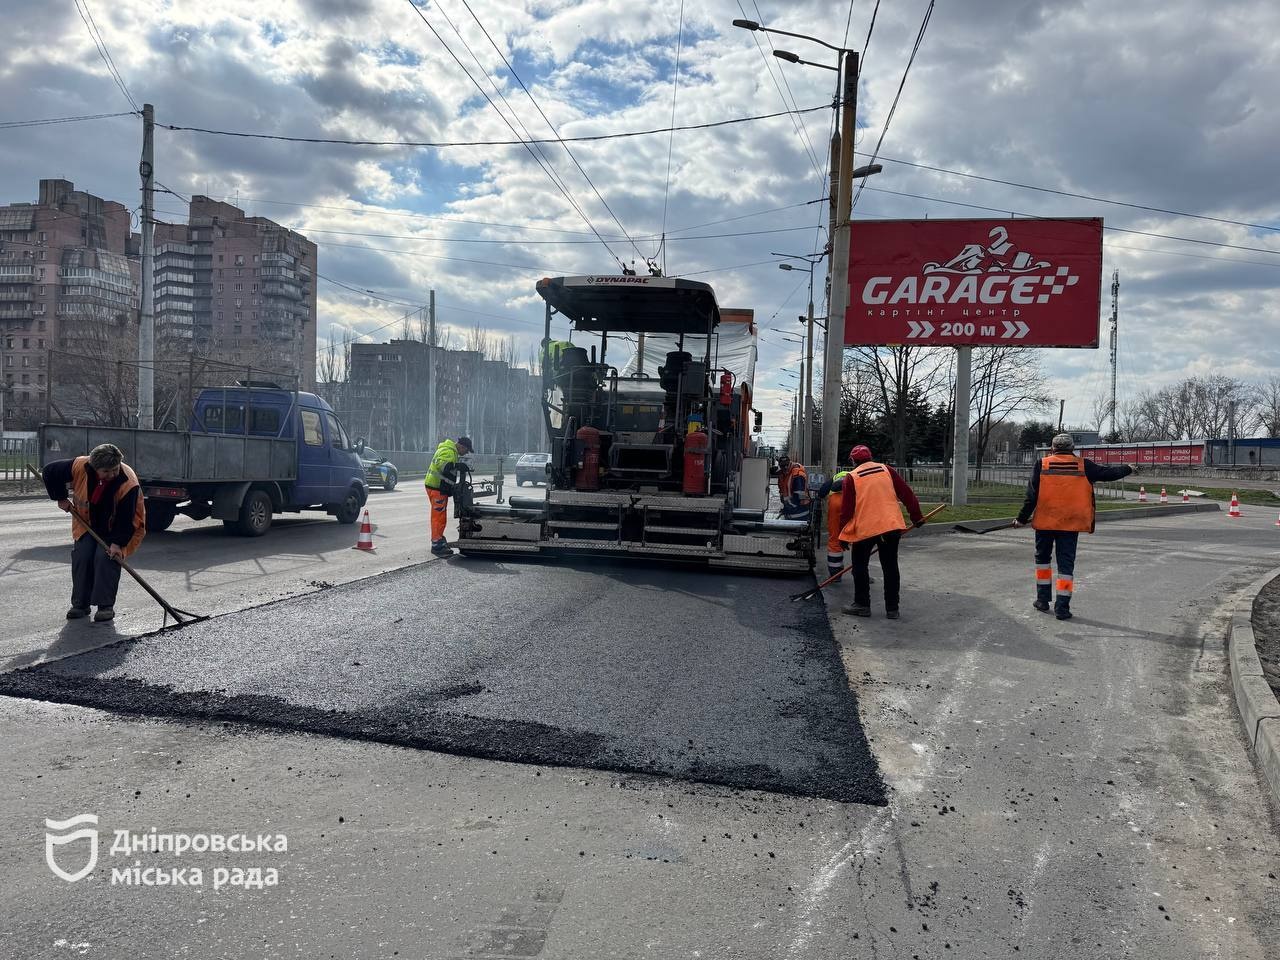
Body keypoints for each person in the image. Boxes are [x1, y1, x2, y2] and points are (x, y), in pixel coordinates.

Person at [1013, 433, 1135, 620]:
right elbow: (1107, 474)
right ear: (1072, 449)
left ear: (1052, 448)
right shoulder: (1083, 465)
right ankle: (1062, 608)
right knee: (1066, 566)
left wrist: (1021, 518)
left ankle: (1042, 600)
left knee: (1043, 562)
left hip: (1045, 523)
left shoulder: (1042, 464)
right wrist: (1128, 468)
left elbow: (1032, 496)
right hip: (1070, 525)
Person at [42, 442, 146, 622]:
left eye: (114, 469)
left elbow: (126, 519)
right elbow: (50, 472)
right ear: (94, 467)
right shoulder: (81, 465)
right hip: (86, 522)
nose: (111, 474)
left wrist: (117, 543)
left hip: (117, 528)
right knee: (82, 557)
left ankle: (105, 606)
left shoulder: (128, 483)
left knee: (105, 558)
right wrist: (60, 497)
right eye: (106, 471)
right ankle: (80, 605)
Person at [838, 445, 924, 620]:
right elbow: (906, 494)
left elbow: (846, 511)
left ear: (853, 461)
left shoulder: (851, 477)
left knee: (860, 565)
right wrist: (917, 517)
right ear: (871, 457)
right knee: (890, 566)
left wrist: (843, 536)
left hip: (866, 529)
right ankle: (892, 609)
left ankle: (862, 605)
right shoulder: (887, 470)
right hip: (891, 527)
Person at [424, 435, 473, 556]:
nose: (465, 453)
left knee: (439, 515)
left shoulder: (448, 450)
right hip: (437, 488)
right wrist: (456, 466)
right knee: (438, 517)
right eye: (466, 450)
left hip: (436, 487)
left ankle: (438, 538)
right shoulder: (448, 451)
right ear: (461, 446)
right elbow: (443, 466)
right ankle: (436, 545)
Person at [813, 459, 852, 582]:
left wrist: (818, 500)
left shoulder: (836, 476)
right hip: (851, 501)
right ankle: (860, 572)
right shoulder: (855, 476)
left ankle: (835, 574)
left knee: (835, 538)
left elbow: (823, 490)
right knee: (859, 538)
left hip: (835, 503)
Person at [776, 454, 810, 520]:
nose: (785, 467)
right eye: (783, 466)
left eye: (786, 465)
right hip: (791, 511)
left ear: (790, 463)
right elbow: (783, 491)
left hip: (799, 513)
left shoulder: (797, 474)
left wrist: (788, 507)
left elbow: (799, 496)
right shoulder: (783, 474)